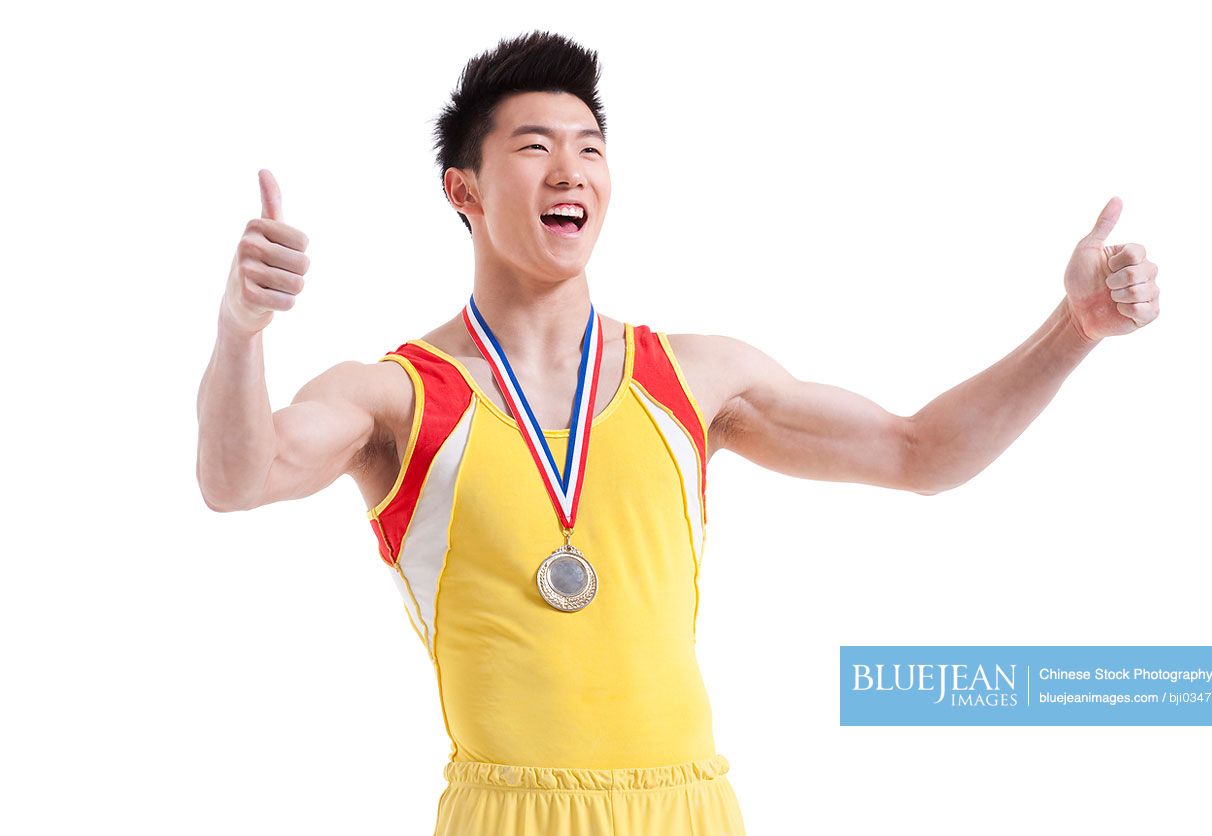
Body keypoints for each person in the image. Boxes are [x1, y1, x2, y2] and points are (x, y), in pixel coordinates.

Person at [196, 29, 1160, 836]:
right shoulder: (396, 397)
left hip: (691, 807)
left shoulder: (694, 380)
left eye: (589, 145)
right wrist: (241, 332)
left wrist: (1069, 333)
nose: (569, 167)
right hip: (509, 813)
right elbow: (239, 478)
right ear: (464, 191)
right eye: (533, 146)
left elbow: (918, 453)